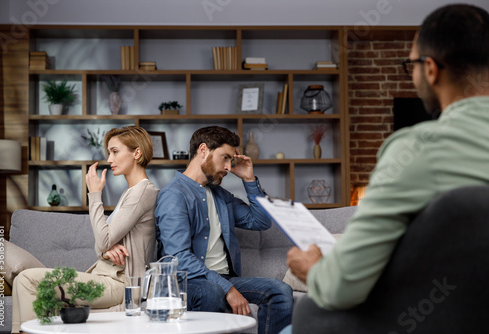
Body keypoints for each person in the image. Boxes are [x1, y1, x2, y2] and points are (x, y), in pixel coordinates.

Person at [281, 3, 489, 333]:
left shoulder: (419, 149)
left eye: (412, 65)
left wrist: (314, 269)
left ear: (431, 69)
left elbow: (342, 286)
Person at [11, 126, 159, 333]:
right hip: (105, 277)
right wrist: (105, 250)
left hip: (119, 284)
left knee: (27, 279)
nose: (110, 159)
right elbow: (104, 244)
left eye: (115, 151)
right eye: (109, 152)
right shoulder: (131, 192)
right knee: (21, 281)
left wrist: (95, 194)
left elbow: (103, 240)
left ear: (137, 153)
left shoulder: (143, 193)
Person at [155, 126, 293, 334]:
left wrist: (249, 180)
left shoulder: (221, 195)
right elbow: (178, 257)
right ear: (203, 150)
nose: (229, 167)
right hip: (187, 282)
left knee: (280, 290)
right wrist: (227, 289)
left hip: (224, 278)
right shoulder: (174, 195)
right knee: (211, 291)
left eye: (232, 160)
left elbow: (261, 222)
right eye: (225, 158)